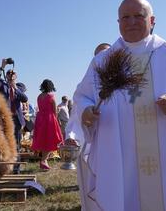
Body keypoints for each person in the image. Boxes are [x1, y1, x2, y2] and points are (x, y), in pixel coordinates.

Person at [73, 0, 166, 211]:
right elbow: (82, 96)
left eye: (138, 16)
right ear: (118, 22)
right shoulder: (103, 61)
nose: (131, 22)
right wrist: (85, 111)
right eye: (125, 17)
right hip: (118, 154)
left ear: (152, 20)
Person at [65, 42, 111, 211]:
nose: (103, 59)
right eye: (99, 56)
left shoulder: (125, 84)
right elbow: (76, 116)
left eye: (107, 55)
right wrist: (72, 136)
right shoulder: (85, 87)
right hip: (91, 145)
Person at [0, 59, 28, 174]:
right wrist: (2, 67)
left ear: (16, 76)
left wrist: (15, 87)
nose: (10, 75)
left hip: (16, 120)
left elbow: (24, 98)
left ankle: (16, 169)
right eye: (8, 74)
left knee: (16, 143)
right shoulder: (2, 84)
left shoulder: (20, 86)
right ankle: (5, 168)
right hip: (4, 119)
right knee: (4, 143)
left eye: (12, 74)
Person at [31, 79, 63, 169]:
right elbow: (54, 110)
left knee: (43, 140)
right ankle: (44, 160)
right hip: (49, 119)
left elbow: (40, 107)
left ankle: (44, 161)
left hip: (40, 118)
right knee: (50, 139)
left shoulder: (39, 96)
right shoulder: (51, 96)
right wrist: (57, 120)